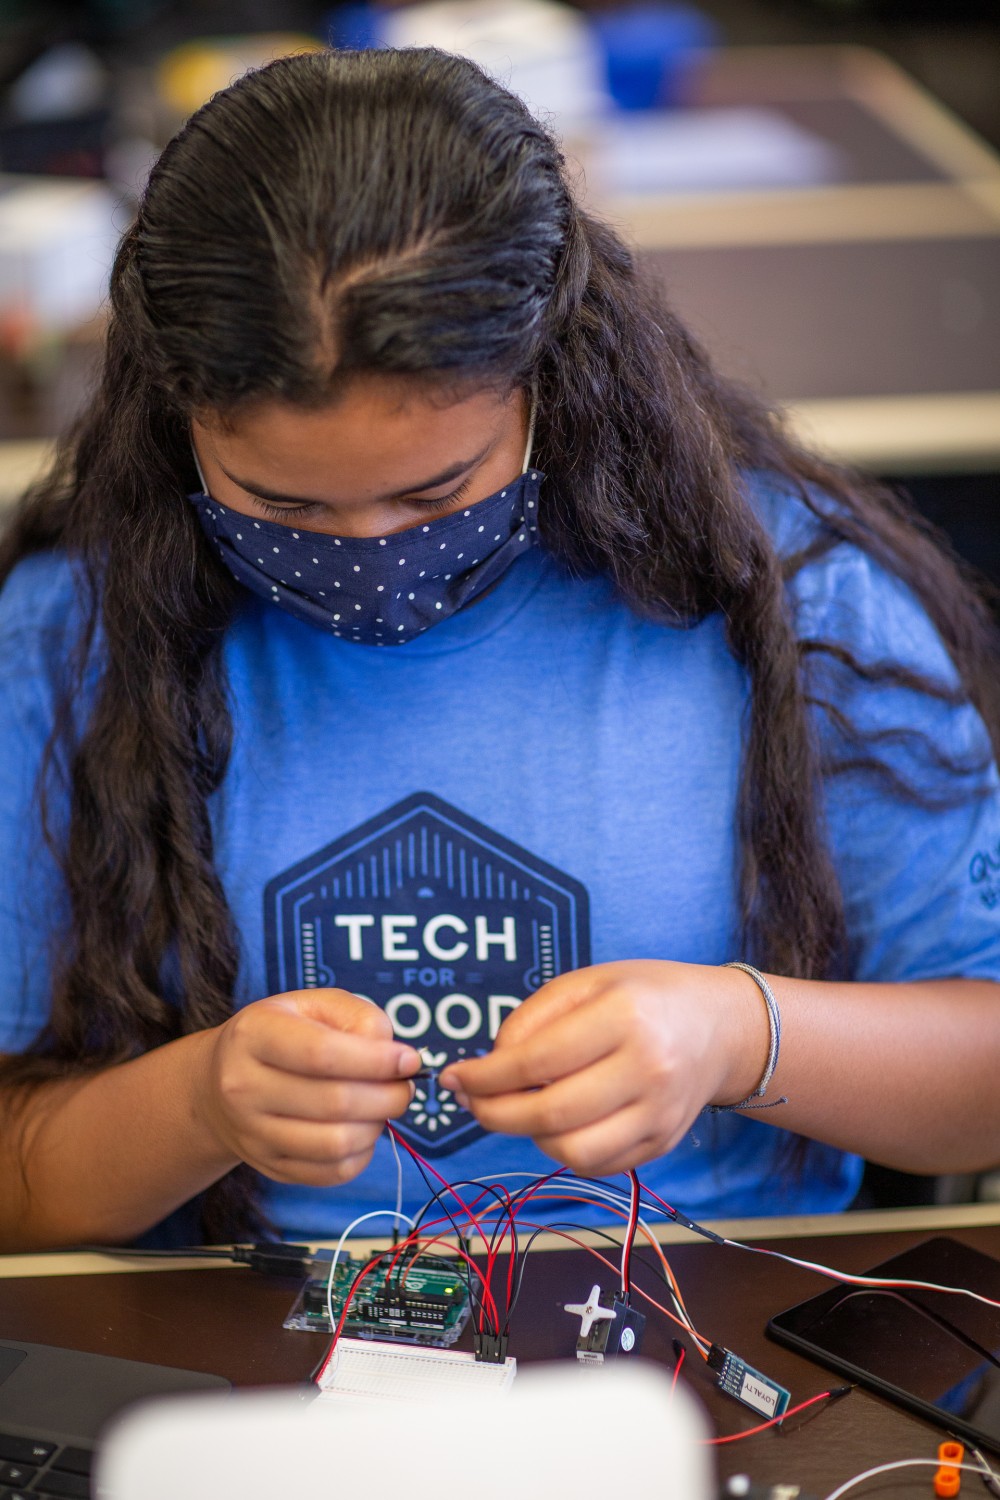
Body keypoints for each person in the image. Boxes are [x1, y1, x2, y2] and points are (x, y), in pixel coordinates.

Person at [1, 47, 999, 1253]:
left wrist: (736, 1036)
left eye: (436, 493)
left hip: (704, 1311)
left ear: (551, 377)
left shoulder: (781, 602)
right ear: (173, 418)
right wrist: (199, 1101)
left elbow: (977, 1083)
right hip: (237, 1342)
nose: (367, 550)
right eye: (286, 505)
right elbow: (22, 1183)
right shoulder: (71, 641)